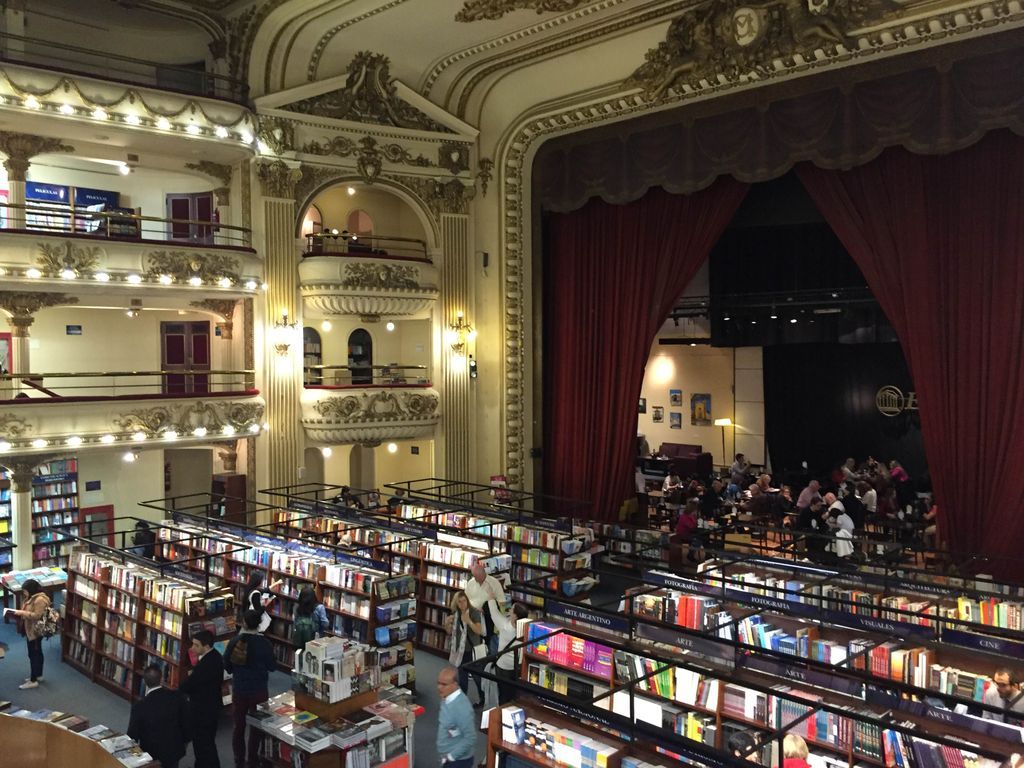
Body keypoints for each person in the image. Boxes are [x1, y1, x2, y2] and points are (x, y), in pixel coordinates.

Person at [224, 610, 277, 768]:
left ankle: (238, 760)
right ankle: (253, 760)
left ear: (244, 623)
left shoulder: (234, 642)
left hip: (240, 689)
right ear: (259, 625)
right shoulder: (265, 644)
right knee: (257, 726)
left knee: (238, 727)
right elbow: (272, 667)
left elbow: (227, 666)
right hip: (259, 691)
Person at [127, 664, 190, 768]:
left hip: (152, 755)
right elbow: (187, 724)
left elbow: (132, 736)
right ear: (161, 679)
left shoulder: (139, 707)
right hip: (174, 751)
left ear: (145, 682)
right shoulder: (177, 697)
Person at [179, 629, 224, 768]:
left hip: (202, 711)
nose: (192, 648)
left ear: (206, 647)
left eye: (196, 645)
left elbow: (188, 685)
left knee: (202, 744)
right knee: (207, 742)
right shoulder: (215, 656)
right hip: (211, 707)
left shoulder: (205, 665)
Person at [7, 578, 51, 689]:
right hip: (31, 630)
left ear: (31, 590)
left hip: (35, 631)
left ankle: (33, 680)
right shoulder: (32, 597)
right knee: (37, 652)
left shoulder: (39, 600)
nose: (24, 593)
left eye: (25, 591)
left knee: (34, 654)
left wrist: (21, 613)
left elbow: (37, 615)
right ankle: (38, 674)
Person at [445, 590, 485, 704]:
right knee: (462, 678)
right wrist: (447, 624)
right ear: (456, 603)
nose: (463, 604)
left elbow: (479, 631)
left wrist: (469, 621)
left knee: (478, 677)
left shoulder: (473, 613)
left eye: (464, 601)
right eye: (460, 602)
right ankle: (462, 702)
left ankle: (483, 699)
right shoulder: (456, 614)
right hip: (460, 652)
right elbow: (449, 632)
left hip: (473, 651)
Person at [436, 665, 477, 768]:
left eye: (444, 684)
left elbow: (470, 738)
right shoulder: (445, 697)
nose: (439, 687)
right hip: (446, 757)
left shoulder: (462, 708)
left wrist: (451, 757)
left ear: (455, 684)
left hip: (458, 762)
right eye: (438, 683)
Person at [463, 561, 506, 654]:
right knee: (471, 641)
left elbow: (502, 603)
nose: (475, 579)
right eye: (474, 576)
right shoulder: (471, 582)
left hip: (487, 618)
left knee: (486, 643)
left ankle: (484, 657)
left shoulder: (494, 583)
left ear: (483, 575)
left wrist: (488, 607)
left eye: (476, 577)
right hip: (472, 614)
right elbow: (465, 598)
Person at [492, 602, 530, 704]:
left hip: (503, 666)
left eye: (512, 610)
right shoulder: (527, 629)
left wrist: (491, 599)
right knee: (513, 694)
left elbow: (494, 613)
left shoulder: (505, 627)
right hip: (517, 666)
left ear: (515, 616)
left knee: (503, 694)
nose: (509, 611)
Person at [292, 586, 330, 651]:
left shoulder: (297, 606)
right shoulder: (319, 607)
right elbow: (325, 624)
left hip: (299, 640)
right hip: (315, 641)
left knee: (299, 656)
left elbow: (294, 620)